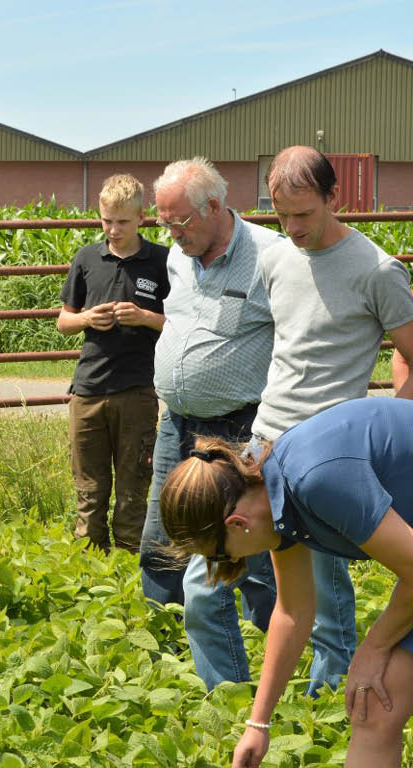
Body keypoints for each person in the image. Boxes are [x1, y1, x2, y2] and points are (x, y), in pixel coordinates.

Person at [241, 145, 413, 693]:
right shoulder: (273, 259)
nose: (291, 227)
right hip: (264, 439)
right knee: (235, 563)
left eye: (304, 214)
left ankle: (334, 699)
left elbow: (409, 349)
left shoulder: (377, 270)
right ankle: (257, 694)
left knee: (327, 591)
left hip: (328, 457)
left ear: (334, 198)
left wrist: (397, 414)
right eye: (280, 213)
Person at [160, 397, 413, 768]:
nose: (227, 564)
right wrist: (258, 724)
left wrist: (373, 648)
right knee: (373, 709)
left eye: (217, 554)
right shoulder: (274, 494)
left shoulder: (314, 480)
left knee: (376, 697)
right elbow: (293, 612)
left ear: (236, 525)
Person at [137, 157, 282, 685]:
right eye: (164, 223)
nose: (172, 235)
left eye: (180, 222)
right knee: (161, 535)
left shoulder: (270, 256)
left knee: (246, 546)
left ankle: (275, 648)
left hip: (241, 426)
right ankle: (150, 653)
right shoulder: (180, 259)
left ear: (216, 207)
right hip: (178, 422)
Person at [56, 174, 169, 552]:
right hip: (88, 388)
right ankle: (90, 566)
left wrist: (145, 317)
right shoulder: (88, 258)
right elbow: (63, 321)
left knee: (134, 487)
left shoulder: (162, 261)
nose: (114, 229)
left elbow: (182, 323)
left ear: (142, 217)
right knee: (89, 489)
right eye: (107, 221)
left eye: (122, 221)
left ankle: (127, 565)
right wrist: (88, 319)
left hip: (137, 389)